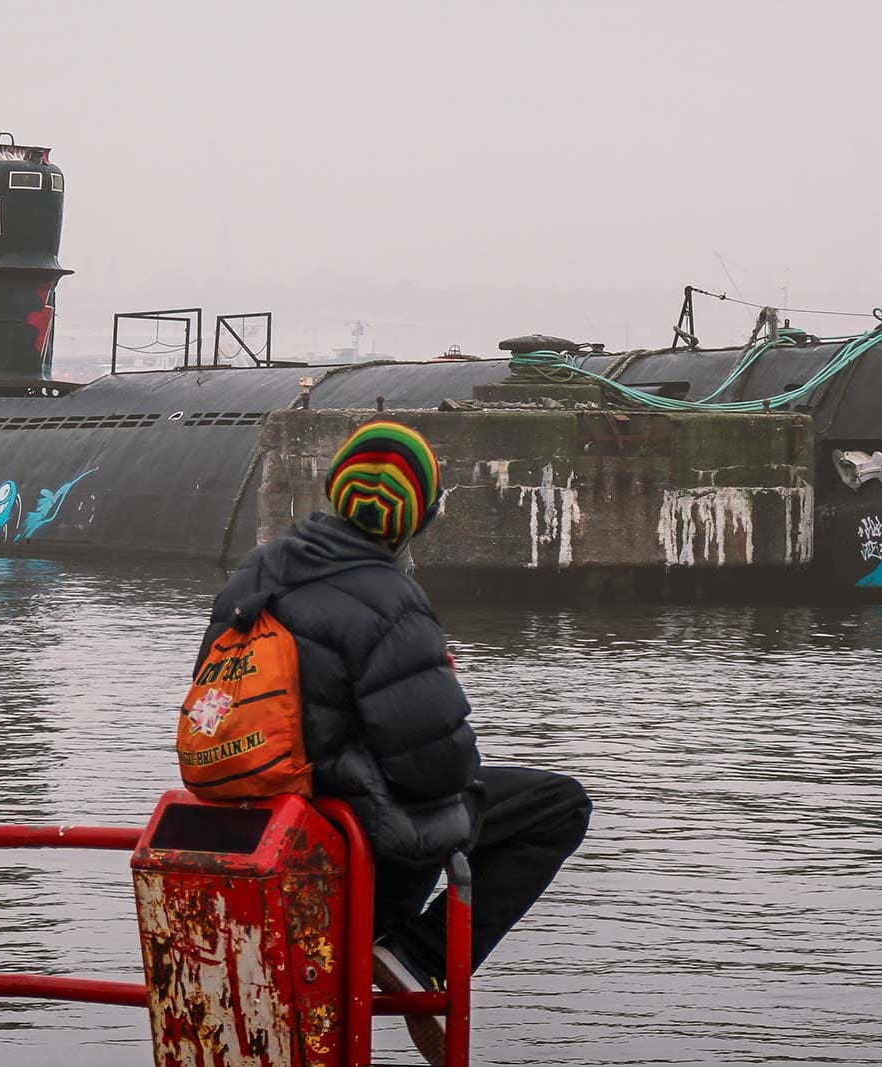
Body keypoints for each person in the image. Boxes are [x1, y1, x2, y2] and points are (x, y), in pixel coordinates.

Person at [199, 419, 591, 1066]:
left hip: (268, 825)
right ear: (415, 518)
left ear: (336, 490)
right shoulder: (393, 599)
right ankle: (417, 952)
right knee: (557, 805)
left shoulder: (255, 571)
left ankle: (407, 952)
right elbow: (438, 767)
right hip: (353, 844)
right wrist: (440, 687)